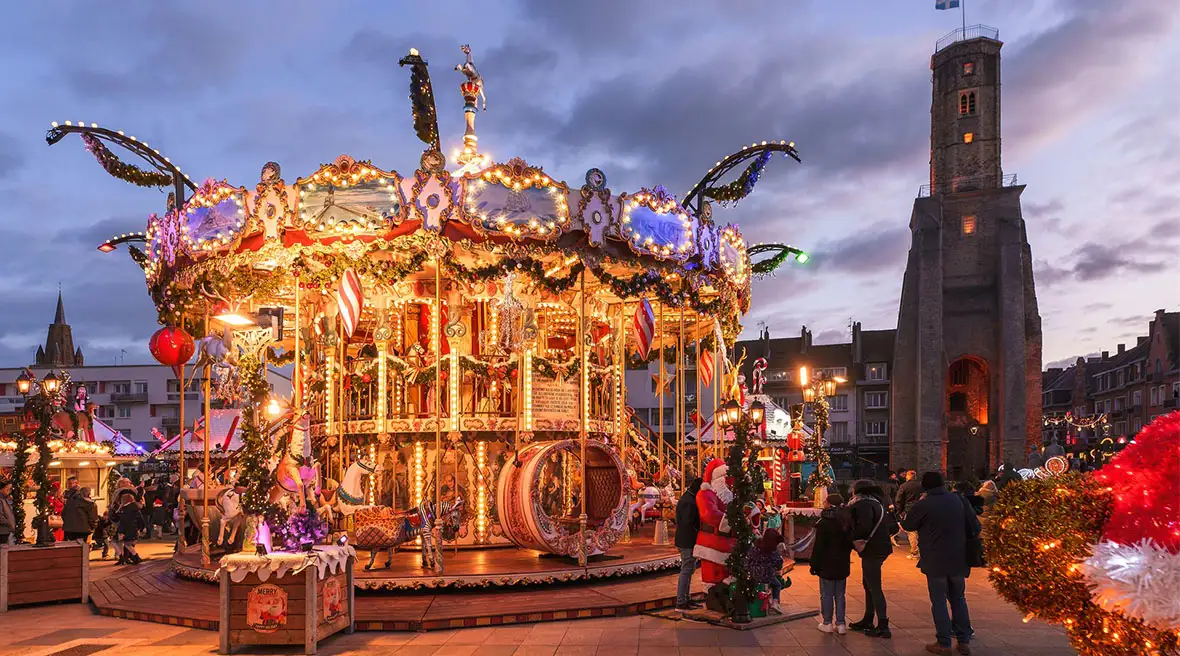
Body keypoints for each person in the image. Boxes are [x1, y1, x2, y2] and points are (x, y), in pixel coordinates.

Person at [902, 472, 982, 656]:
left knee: (938, 601)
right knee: (959, 598)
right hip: (959, 558)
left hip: (935, 559)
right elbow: (975, 527)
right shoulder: (959, 500)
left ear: (925, 487)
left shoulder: (924, 504)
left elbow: (908, 525)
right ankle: (963, 641)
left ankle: (944, 642)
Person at [848, 479, 897, 638]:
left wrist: (854, 539)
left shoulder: (863, 504)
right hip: (879, 546)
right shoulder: (876, 502)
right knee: (868, 583)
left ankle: (883, 624)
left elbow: (864, 526)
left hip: (873, 549)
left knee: (874, 586)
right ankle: (868, 618)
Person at [810, 493, 854, 634]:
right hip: (842, 562)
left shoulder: (824, 523)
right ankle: (841, 624)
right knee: (840, 595)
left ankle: (827, 622)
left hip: (826, 563)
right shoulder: (846, 521)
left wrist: (814, 564)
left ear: (828, 504)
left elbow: (819, 547)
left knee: (827, 594)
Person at [673, 477, 703, 611]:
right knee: (686, 570)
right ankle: (681, 601)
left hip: (688, 539)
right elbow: (687, 522)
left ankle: (685, 598)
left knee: (689, 570)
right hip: (687, 540)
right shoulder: (689, 502)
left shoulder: (688, 498)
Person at [747, 528, 787, 614]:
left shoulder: (756, 547)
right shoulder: (772, 552)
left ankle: (768, 599)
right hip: (766, 575)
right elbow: (778, 565)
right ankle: (775, 602)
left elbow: (748, 559)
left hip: (752, 573)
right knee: (777, 585)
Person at [895, 470, 923, 559]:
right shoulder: (921, 485)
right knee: (921, 531)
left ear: (908, 476)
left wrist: (900, 511)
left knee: (912, 531)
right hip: (922, 509)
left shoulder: (904, 486)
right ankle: (923, 551)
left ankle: (915, 552)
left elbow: (898, 499)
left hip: (909, 510)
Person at [114, 493, 146, 565]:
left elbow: (123, 521)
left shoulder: (125, 509)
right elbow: (140, 519)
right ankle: (133, 558)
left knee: (122, 543)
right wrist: (141, 527)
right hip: (133, 529)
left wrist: (122, 532)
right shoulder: (134, 507)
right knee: (127, 544)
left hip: (126, 530)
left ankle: (132, 558)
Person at [0, 479, 16, 545]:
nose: (9, 491)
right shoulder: (1, 500)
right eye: (8, 488)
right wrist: (9, 523)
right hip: (2, 531)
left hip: (6, 530)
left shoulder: (5, 498)